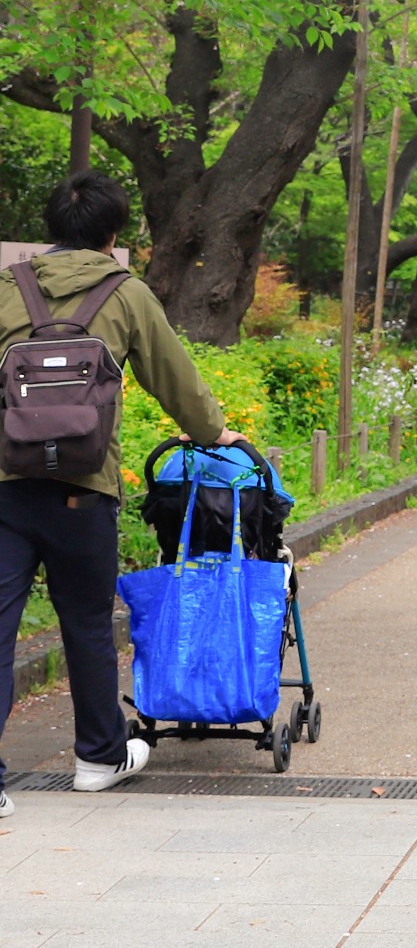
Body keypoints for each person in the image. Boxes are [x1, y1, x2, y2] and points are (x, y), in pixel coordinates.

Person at [0, 173, 245, 810]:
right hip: (85, 488)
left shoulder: (4, 289)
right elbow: (175, 377)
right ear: (112, 236)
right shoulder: (125, 293)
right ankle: (98, 758)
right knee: (85, 622)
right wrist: (214, 432)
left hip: (4, 485)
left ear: (49, 230)